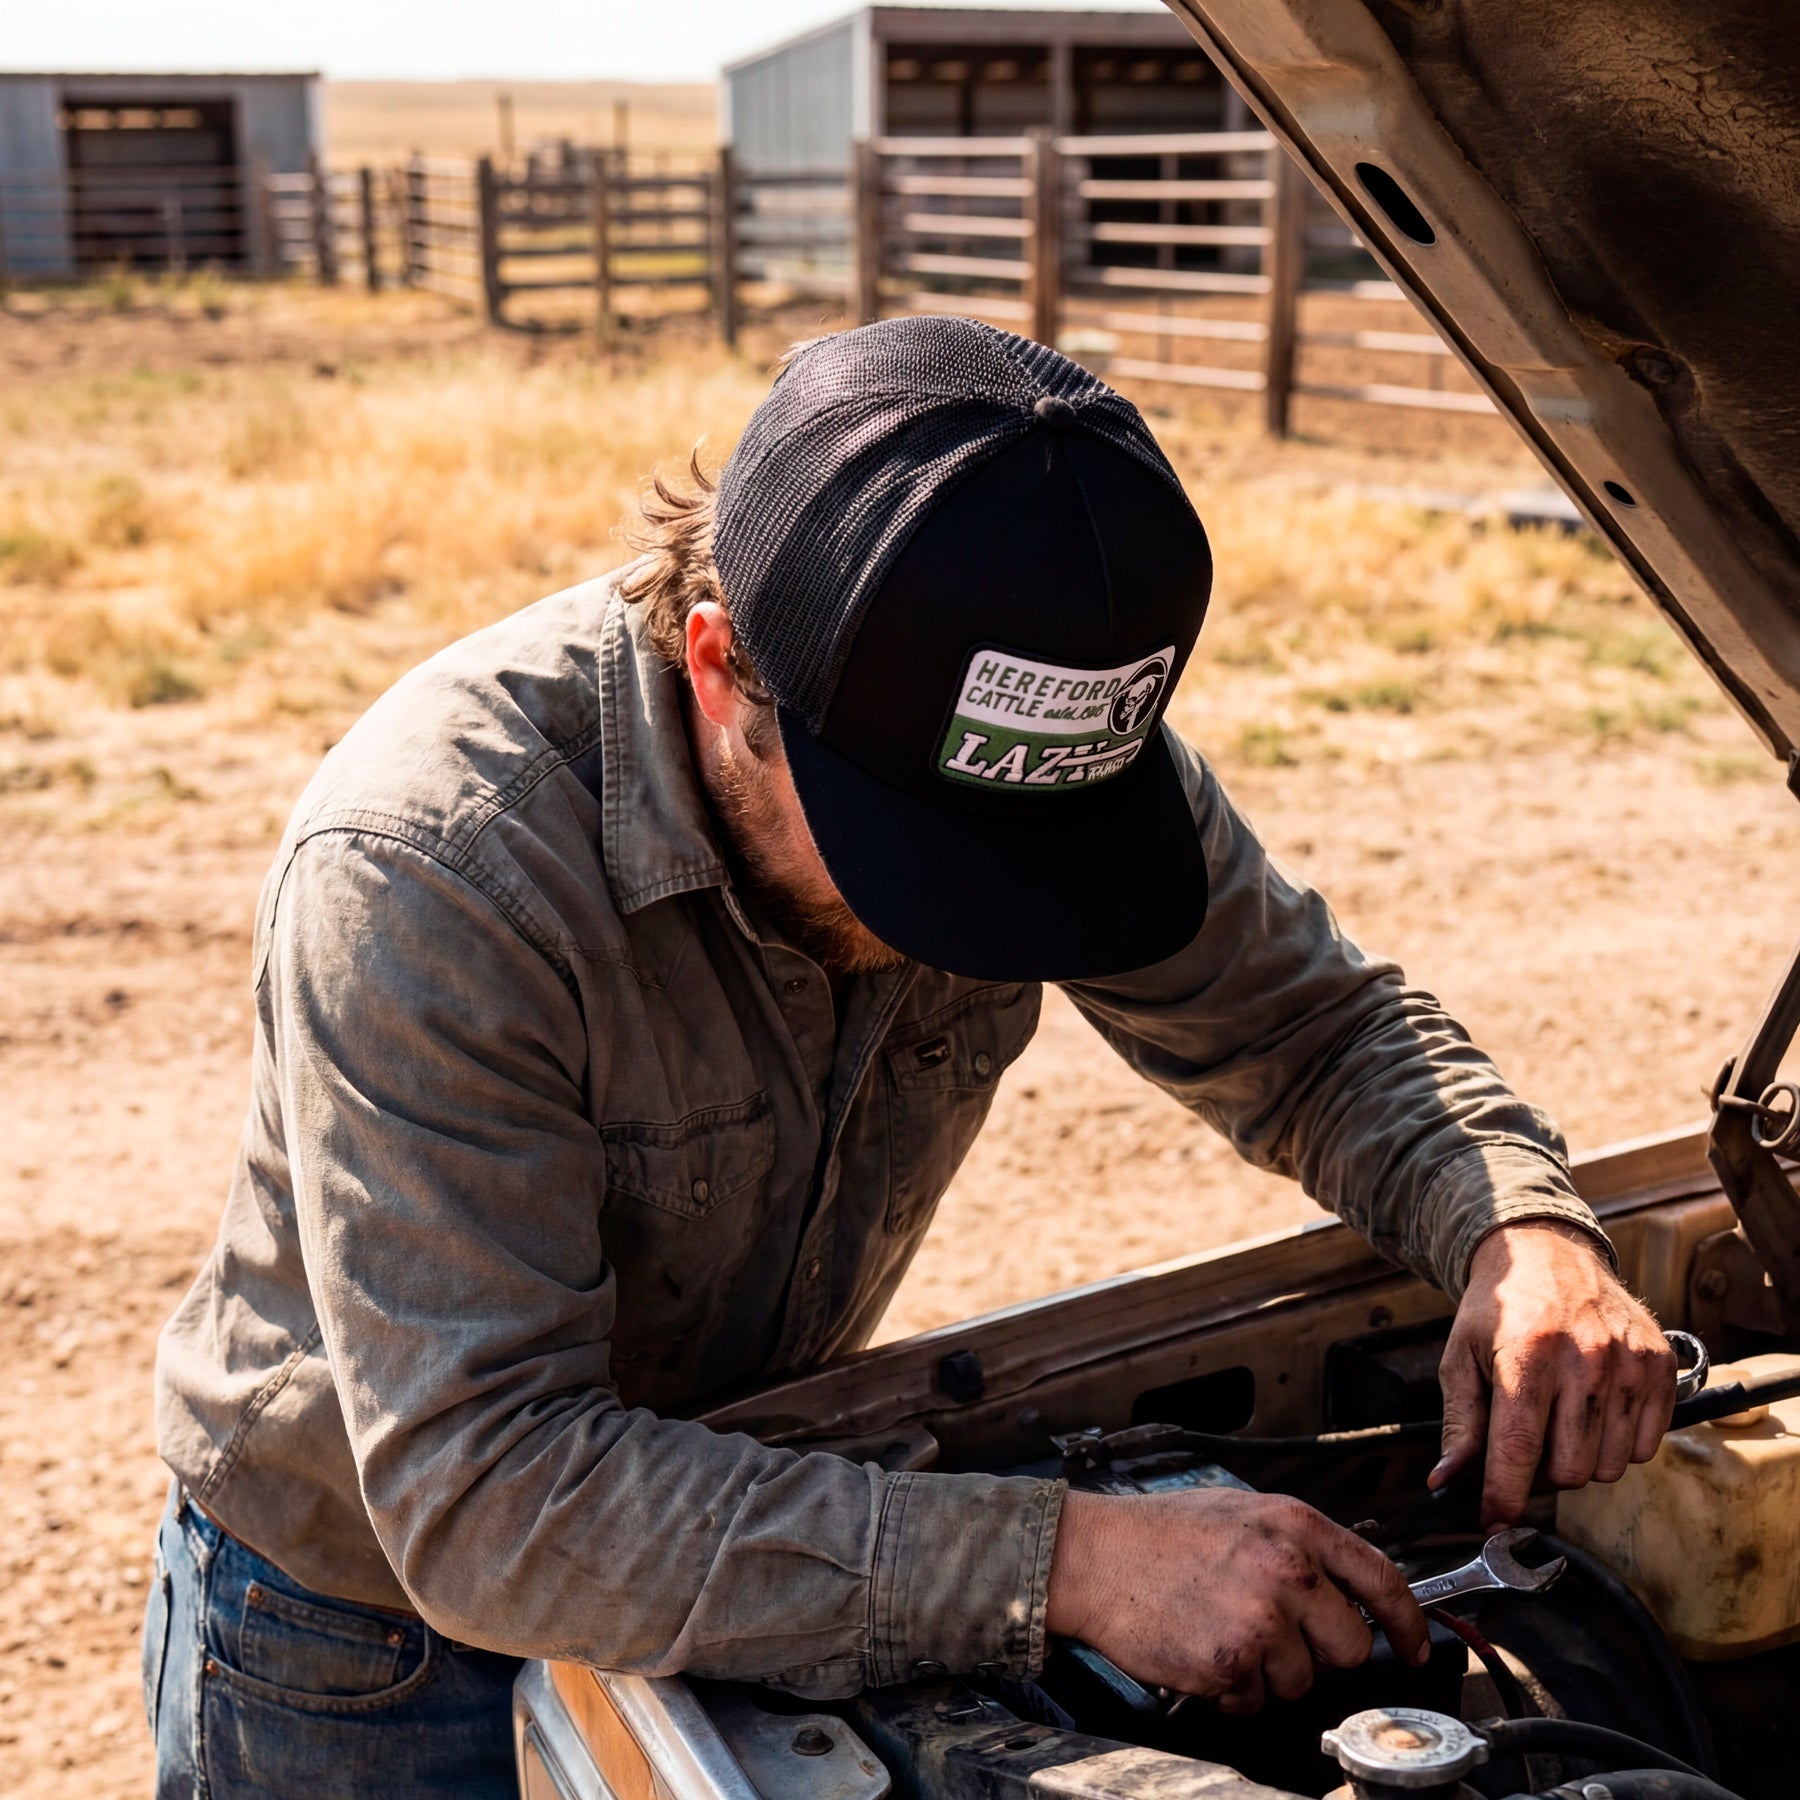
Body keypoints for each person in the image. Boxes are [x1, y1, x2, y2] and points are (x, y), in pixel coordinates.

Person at [144, 319, 1674, 1800]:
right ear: (722, 668)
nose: (978, 903)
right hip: (368, 1642)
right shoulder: (435, 870)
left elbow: (1309, 1029)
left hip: (750, 1525)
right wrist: (1060, 1559)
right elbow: (488, 1495)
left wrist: (1516, 1223)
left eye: (1026, 850)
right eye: (919, 854)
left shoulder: (1027, 739)